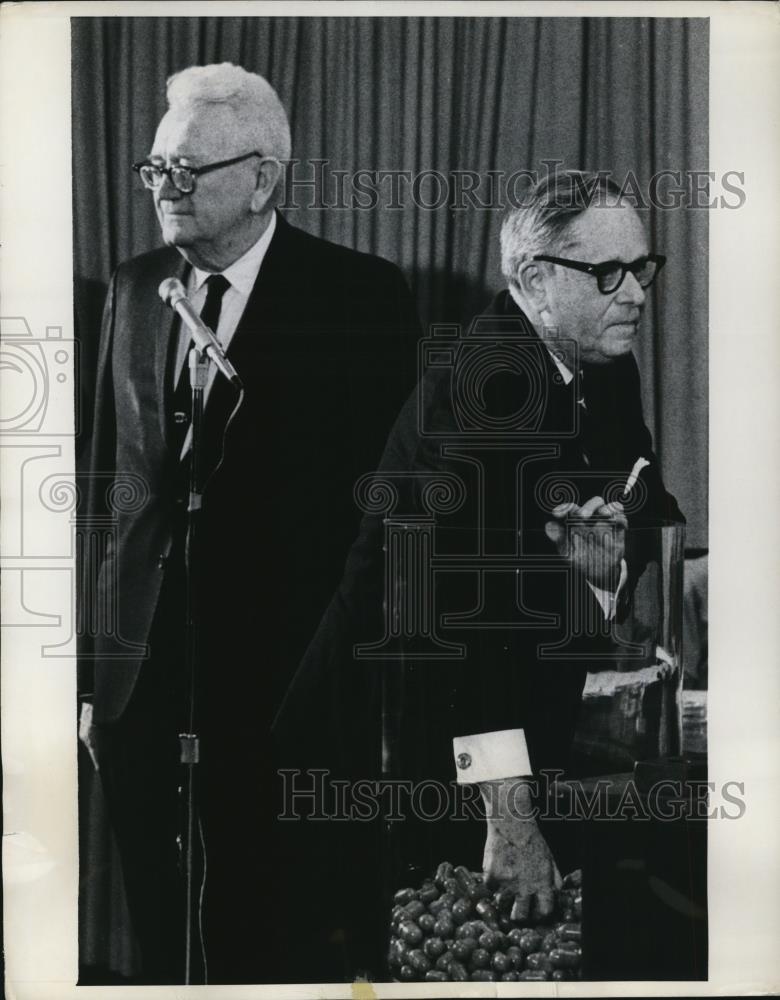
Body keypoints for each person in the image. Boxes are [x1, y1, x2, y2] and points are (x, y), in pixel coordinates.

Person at [274, 170, 684, 977]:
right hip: (388, 744)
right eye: (608, 273)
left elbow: (648, 496)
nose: (634, 292)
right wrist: (511, 815)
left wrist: (607, 545)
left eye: (643, 267)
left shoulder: (605, 359)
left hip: (504, 718)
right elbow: (451, 621)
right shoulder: (477, 392)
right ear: (533, 280)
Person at [77, 62, 420, 984]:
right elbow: (113, 497)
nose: (166, 191)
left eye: (188, 170)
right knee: (160, 928)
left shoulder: (359, 296)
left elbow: (382, 516)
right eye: (155, 171)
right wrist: (89, 672)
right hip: (141, 675)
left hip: (284, 684)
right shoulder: (132, 285)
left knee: (268, 931)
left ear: (263, 177)